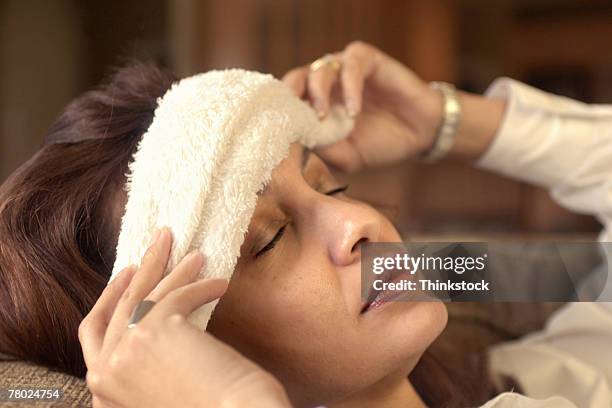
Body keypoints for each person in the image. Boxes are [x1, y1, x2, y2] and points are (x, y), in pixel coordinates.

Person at [1, 41, 611, 407]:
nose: (360, 223)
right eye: (269, 239)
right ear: (180, 347)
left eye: (330, 185)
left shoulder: (554, 372)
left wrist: (448, 122)